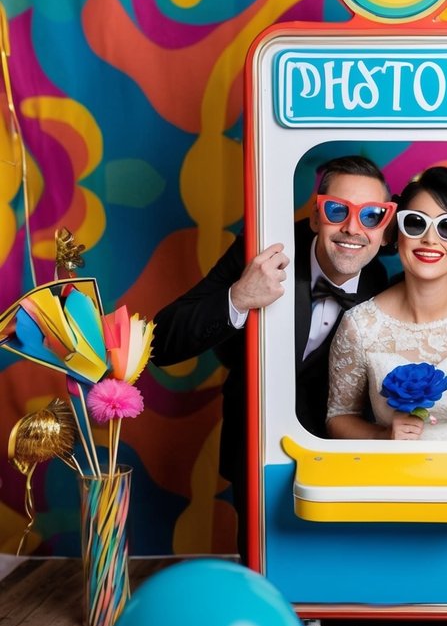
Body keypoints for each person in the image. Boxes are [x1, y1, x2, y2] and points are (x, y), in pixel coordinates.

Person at [151, 155, 395, 559]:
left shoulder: (385, 271)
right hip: (257, 446)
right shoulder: (261, 250)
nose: (354, 228)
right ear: (316, 217)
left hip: (341, 452)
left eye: (372, 216)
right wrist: (239, 298)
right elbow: (161, 341)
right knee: (264, 573)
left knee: (332, 580)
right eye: (337, 211)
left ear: (387, 230)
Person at [326, 166, 447, 442]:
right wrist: (383, 436)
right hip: (393, 480)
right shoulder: (359, 325)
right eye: (416, 223)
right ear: (397, 235)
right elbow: (338, 416)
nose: (430, 239)